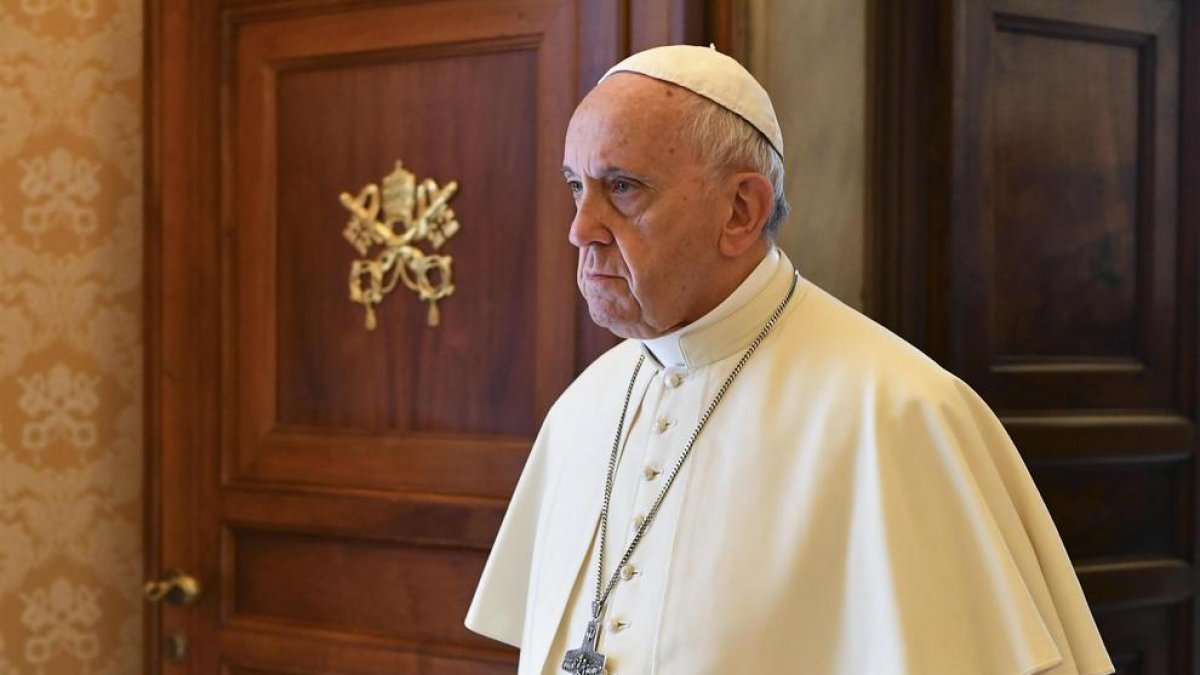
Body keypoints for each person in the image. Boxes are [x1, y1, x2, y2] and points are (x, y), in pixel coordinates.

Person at [465, 44, 1114, 675]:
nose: (581, 227)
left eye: (623, 187)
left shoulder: (896, 411)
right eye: (576, 185)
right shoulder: (584, 406)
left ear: (741, 210)